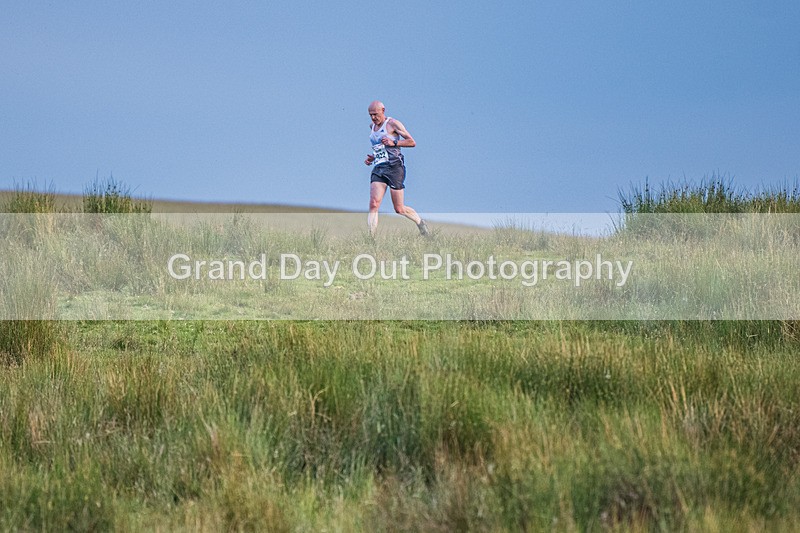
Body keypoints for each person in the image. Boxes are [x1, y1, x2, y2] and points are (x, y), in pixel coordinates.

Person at [363, 100, 429, 237]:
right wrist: (373, 158)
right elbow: (380, 149)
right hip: (379, 168)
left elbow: (412, 142)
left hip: (394, 168)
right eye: (370, 115)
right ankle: (370, 239)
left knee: (399, 209)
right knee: (374, 204)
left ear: (383, 110)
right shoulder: (372, 127)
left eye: (375, 114)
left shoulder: (393, 124)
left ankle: (420, 223)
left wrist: (394, 142)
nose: (373, 118)